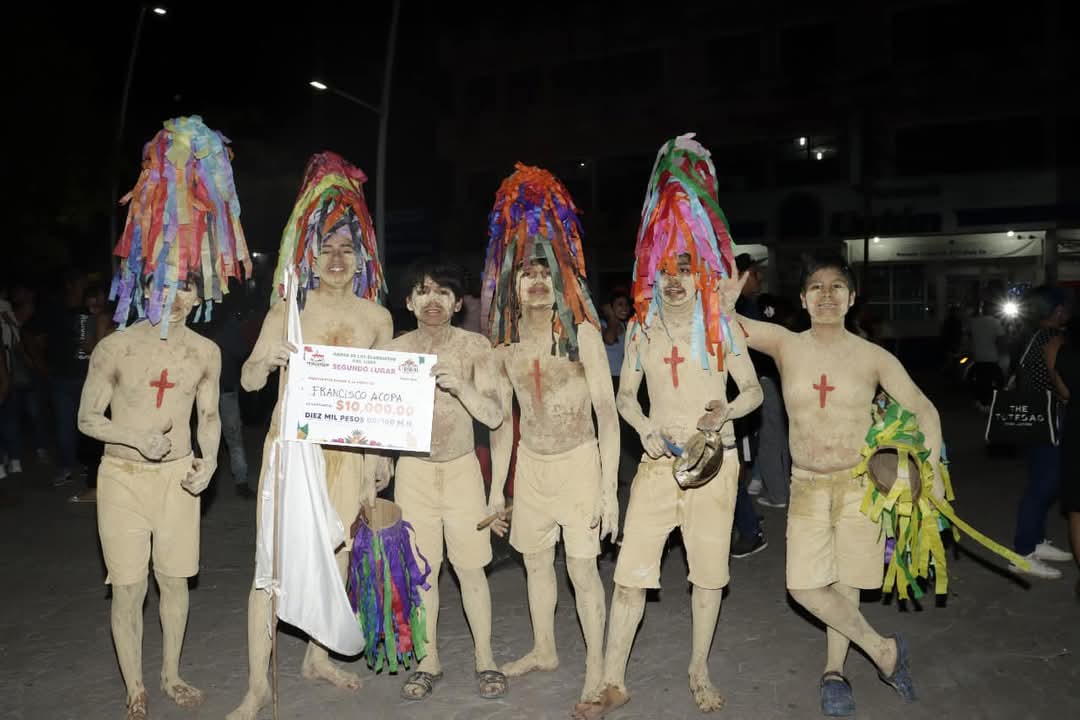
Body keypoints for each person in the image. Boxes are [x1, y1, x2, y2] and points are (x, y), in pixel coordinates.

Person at [573, 134, 762, 719]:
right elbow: (626, 396)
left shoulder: (721, 329)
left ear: (700, 271)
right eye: (665, 271)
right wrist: (644, 424)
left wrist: (724, 411)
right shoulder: (641, 331)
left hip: (714, 466)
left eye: (686, 268)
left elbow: (753, 390)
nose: (675, 280)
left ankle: (698, 668)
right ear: (650, 275)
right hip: (656, 469)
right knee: (630, 576)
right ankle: (610, 678)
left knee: (707, 578)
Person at [717, 254, 944, 717]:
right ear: (802, 299)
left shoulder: (874, 357)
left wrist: (933, 476)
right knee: (803, 586)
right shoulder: (785, 343)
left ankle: (834, 672)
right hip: (807, 487)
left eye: (836, 286)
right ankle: (884, 650)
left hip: (860, 486)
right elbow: (732, 328)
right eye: (816, 287)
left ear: (851, 297)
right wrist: (724, 307)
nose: (825, 294)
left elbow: (925, 410)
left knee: (845, 586)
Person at [79, 115, 249, 720]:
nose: (176, 295)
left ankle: (172, 671)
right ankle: (134, 685)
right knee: (128, 587)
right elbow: (86, 419)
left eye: (186, 285)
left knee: (174, 582)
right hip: (122, 478)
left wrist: (205, 464)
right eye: (166, 282)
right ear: (146, 280)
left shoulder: (204, 352)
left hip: (178, 480)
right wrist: (134, 437)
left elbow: (208, 416)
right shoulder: (115, 346)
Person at [228, 151, 392, 720]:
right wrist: (265, 358)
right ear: (310, 254)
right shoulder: (286, 312)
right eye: (327, 248)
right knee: (268, 570)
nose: (338, 258)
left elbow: (385, 400)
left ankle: (317, 657)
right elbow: (249, 380)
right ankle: (258, 687)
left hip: (349, 456)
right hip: (292, 454)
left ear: (361, 255)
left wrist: (379, 457)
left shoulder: (377, 318)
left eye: (348, 248)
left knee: (339, 556)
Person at [483, 163, 619, 705]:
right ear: (513, 286)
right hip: (531, 466)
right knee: (536, 562)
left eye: (546, 274)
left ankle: (596, 669)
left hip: (579, 464)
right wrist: (498, 491)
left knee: (582, 571)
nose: (537, 282)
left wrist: (610, 492)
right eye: (527, 275)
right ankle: (544, 648)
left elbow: (607, 418)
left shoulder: (582, 335)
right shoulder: (506, 346)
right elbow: (500, 425)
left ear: (560, 280)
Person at [376, 260, 507, 700]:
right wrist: (379, 459)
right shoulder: (393, 352)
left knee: (471, 570)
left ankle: (485, 659)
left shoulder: (476, 348)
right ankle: (428, 662)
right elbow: (374, 419)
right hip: (413, 473)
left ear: (457, 302)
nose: (433, 300)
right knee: (422, 575)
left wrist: (462, 388)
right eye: (423, 292)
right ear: (409, 302)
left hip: (462, 470)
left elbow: (494, 415)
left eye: (443, 292)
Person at [1009, 286, 1072, 579]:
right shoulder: (1052, 339)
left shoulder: (1032, 335)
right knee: (1044, 485)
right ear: (1058, 311)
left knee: (1042, 481)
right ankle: (1022, 553)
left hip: (1034, 419)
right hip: (1048, 421)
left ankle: (1037, 541)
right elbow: (1063, 387)